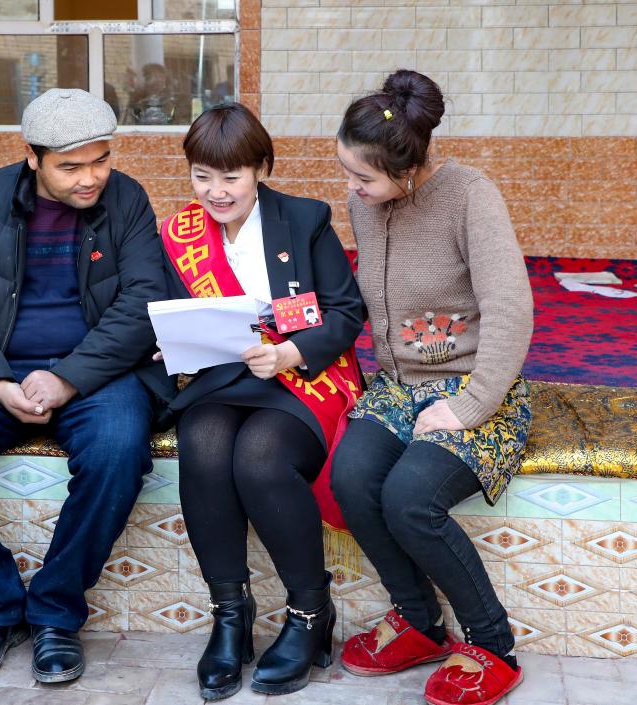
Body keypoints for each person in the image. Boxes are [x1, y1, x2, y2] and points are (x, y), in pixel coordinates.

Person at [0, 88, 171, 686]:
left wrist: (68, 377)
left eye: (101, 160)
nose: (90, 178)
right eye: (71, 167)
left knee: (118, 448)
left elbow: (142, 302)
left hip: (96, 372)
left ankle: (55, 612)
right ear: (32, 157)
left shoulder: (126, 198)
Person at [330, 70, 533, 705]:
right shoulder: (367, 204)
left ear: (409, 171)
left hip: (477, 388)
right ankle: (419, 623)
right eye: (346, 171)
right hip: (398, 387)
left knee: (410, 499)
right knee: (350, 478)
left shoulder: (470, 196)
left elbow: (511, 308)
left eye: (364, 178)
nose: (353, 189)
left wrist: (469, 406)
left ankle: (493, 645)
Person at [160, 103, 364, 699]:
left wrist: (289, 353)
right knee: (201, 444)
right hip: (223, 379)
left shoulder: (303, 220)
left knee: (259, 456)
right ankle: (231, 614)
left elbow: (346, 312)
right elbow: (172, 314)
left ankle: (309, 612)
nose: (216, 192)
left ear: (261, 170)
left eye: (232, 176)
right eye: (202, 176)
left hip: (300, 377)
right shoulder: (178, 235)